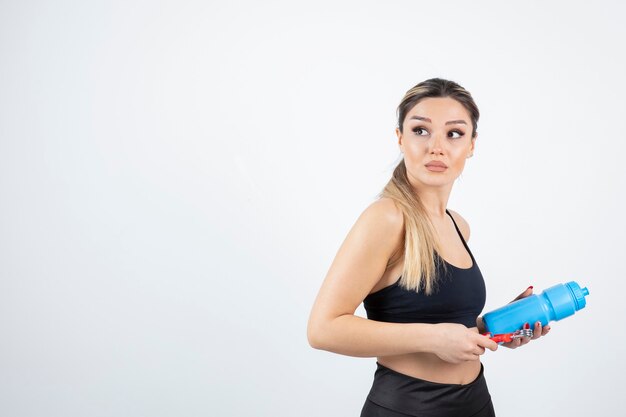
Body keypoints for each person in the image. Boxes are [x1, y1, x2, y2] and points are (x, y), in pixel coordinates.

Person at [306, 78, 550, 417]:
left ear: (472, 144)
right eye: (421, 130)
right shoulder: (387, 219)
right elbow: (323, 329)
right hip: (408, 407)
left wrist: (495, 326)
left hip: (477, 402)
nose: (437, 147)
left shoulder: (458, 224)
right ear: (400, 139)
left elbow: (445, 325)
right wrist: (433, 339)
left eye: (454, 133)